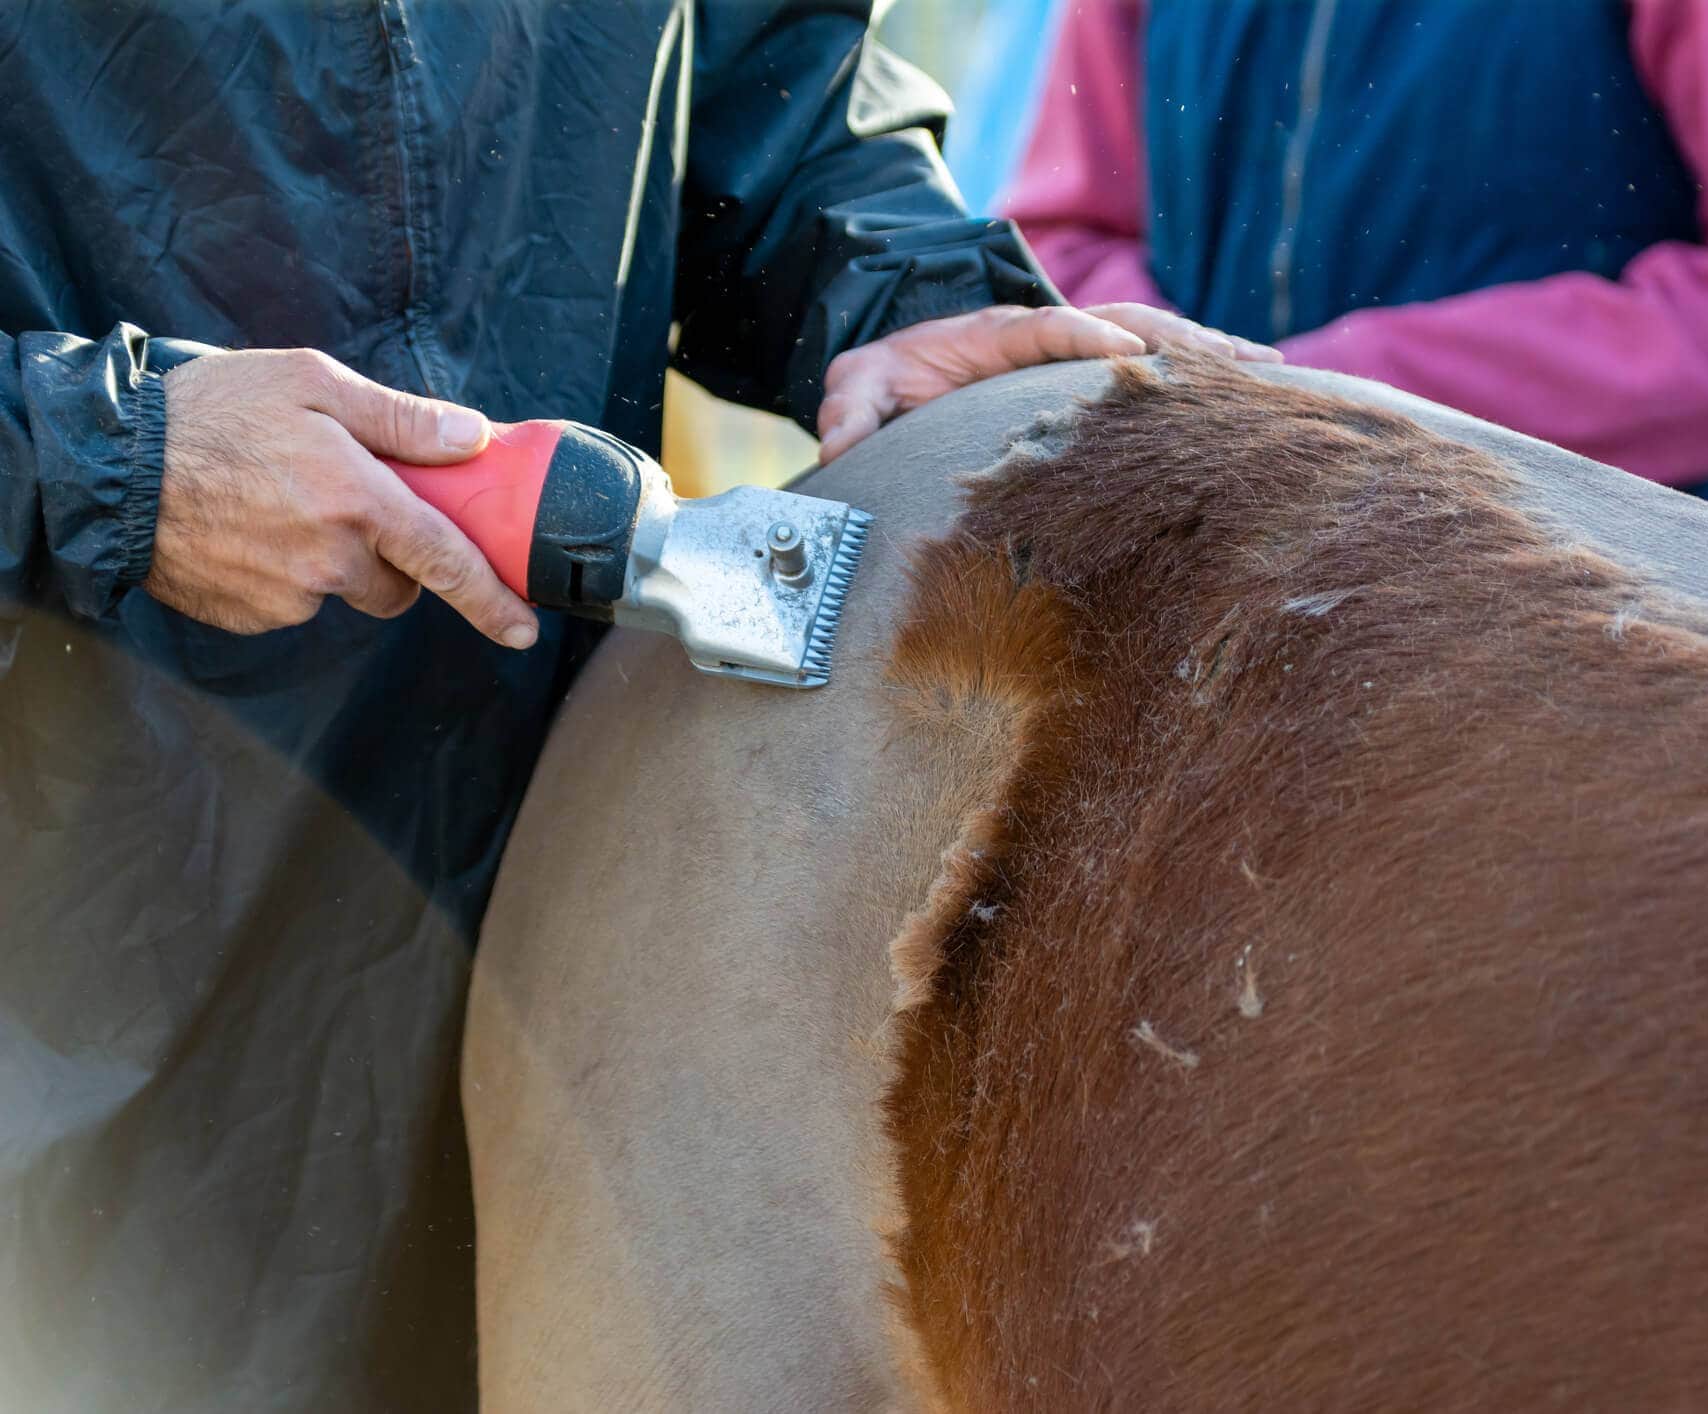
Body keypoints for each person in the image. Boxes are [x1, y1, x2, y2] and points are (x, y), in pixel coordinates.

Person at [0, 6, 1261, 1409]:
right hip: (75, 945)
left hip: (551, 888)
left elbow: (768, 108)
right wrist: (104, 465)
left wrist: (916, 297)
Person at [1001, 0, 1708, 498]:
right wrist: (1182, 376)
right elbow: (1060, 241)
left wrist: (1348, 386)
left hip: (1569, 626)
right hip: (1208, 586)